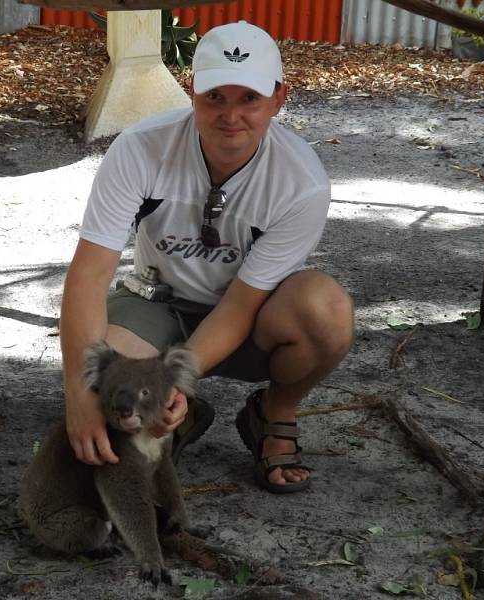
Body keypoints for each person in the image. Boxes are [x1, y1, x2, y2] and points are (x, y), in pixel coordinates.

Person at [59, 20, 354, 493]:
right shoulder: (138, 149)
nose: (230, 115)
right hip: (157, 302)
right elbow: (89, 276)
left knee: (327, 308)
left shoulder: (302, 181)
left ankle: (273, 414)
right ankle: (183, 414)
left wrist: (174, 378)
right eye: (215, 96)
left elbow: (240, 305)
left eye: (249, 99)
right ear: (192, 91)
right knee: (106, 384)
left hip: (249, 319)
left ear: (279, 99)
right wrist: (76, 391)